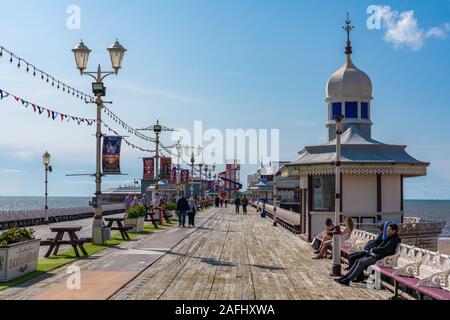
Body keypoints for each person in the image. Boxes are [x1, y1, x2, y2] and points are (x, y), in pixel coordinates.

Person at [336, 223, 401, 286]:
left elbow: (385, 249)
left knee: (361, 262)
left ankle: (348, 279)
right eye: (387, 230)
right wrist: (374, 249)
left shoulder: (394, 240)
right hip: (376, 255)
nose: (387, 231)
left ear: (394, 231)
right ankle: (345, 277)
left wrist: (373, 249)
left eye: (389, 230)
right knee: (357, 261)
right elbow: (380, 246)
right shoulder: (390, 238)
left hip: (380, 258)